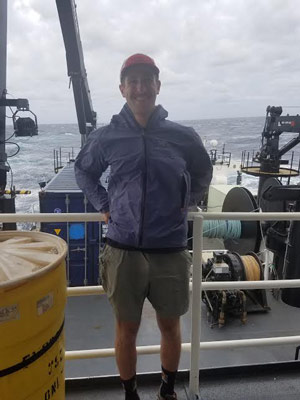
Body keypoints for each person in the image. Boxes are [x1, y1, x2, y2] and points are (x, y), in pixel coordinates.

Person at [74, 53, 213, 400]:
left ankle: (167, 390)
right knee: (126, 328)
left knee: (170, 324)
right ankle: (131, 394)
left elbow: (203, 169)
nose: (140, 88)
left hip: (169, 247)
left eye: (146, 80)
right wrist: (104, 205)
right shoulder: (108, 137)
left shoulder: (182, 136)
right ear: (122, 89)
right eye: (132, 81)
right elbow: (84, 170)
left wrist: (190, 198)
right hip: (123, 249)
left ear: (158, 86)